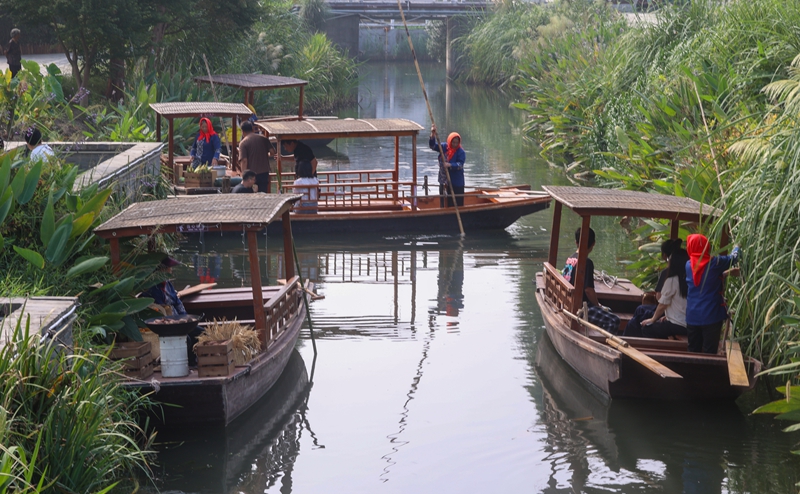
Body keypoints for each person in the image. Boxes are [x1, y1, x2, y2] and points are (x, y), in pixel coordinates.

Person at [685, 234, 741, 354]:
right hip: (711, 315)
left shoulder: (688, 265)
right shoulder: (716, 263)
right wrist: (737, 247)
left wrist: (723, 274)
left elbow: (703, 278)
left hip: (692, 316)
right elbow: (733, 258)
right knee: (709, 353)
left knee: (692, 352)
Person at [562, 227, 621, 334]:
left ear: (576, 242)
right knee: (614, 321)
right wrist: (598, 305)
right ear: (593, 244)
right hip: (580, 307)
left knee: (609, 312)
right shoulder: (586, 262)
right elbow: (588, 290)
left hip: (568, 302)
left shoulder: (570, 259)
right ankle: (603, 345)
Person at [623, 238, 682, 337]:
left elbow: (660, 299)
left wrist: (653, 319)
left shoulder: (669, 275)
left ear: (665, 256)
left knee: (637, 320)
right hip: (673, 315)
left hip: (671, 315)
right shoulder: (686, 275)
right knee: (640, 310)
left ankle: (631, 341)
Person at [641, 247, 690, 339]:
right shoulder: (689, 279)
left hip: (678, 325)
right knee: (660, 324)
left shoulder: (672, 280)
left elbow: (663, 304)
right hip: (688, 324)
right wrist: (668, 317)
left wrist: (653, 319)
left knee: (646, 328)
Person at [429, 125, 465, 208]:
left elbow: (460, 165)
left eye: (457, 143)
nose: (455, 144)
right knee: (443, 200)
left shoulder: (461, 152)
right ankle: (443, 212)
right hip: (444, 179)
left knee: (456, 203)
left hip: (456, 181)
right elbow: (432, 146)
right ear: (450, 141)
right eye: (453, 142)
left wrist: (450, 165)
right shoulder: (444, 147)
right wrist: (433, 134)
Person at [283, 139, 319, 213]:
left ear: (292, 143)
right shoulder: (315, 181)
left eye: (285, 146)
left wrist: (307, 176)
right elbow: (295, 157)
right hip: (314, 205)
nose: (285, 148)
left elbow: (314, 162)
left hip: (302, 205)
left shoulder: (303, 149)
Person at [238, 121, 273, 193]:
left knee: (251, 196)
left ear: (243, 131)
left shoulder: (243, 143)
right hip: (264, 173)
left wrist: (244, 176)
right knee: (263, 194)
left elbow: (244, 160)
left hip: (251, 175)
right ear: (252, 129)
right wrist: (267, 155)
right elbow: (273, 152)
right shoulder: (263, 138)